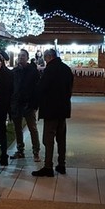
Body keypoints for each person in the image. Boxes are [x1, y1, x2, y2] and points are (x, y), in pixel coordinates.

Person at [32, 49, 74, 177]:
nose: (44, 60)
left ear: (49, 57)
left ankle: (48, 166)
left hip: (51, 110)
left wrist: (36, 101)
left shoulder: (49, 70)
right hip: (63, 109)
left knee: (48, 139)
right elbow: (70, 89)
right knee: (61, 138)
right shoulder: (67, 69)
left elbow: (41, 88)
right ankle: (62, 164)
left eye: (45, 58)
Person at [11, 49, 41, 161]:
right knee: (17, 129)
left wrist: (34, 104)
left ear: (27, 58)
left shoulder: (33, 71)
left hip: (29, 104)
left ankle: (36, 151)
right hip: (17, 104)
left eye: (23, 56)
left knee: (32, 128)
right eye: (19, 56)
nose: (20, 57)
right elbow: (12, 88)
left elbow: (37, 89)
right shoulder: (14, 71)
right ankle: (20, 150)